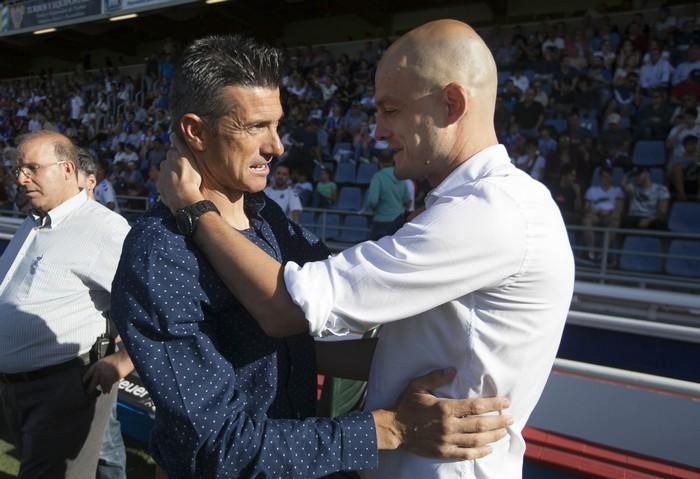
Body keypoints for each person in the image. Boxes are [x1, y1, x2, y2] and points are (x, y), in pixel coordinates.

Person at [158, 20, 575, 479]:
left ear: (452, 103)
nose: (378, 131)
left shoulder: (492, 213)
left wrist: (196, 212)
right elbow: (399, 353)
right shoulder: (484, 207)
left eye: (391, 110)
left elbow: (284, 308)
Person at [0, 131, 132, 478]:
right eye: (17, 168)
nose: (21, 178)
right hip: (17, 389)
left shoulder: (105, 228)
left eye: (32, 168)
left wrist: (122, 361)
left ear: (68, 169)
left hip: (63, 387)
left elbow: (155, 309)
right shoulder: (33, 222)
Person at [76, 149, 130, 479]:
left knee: (105, 442)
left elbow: (131, 294)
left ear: (90, 182)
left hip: (99, 351)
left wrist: (123, 351)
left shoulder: (109, 228)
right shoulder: (53, 223)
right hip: (62, 359)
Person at [581, 167, 625, 261]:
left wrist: (609, 212)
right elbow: (586, 208)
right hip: (596, 214)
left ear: (611, 177)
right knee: (586, 220)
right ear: (600, 177)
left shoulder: (617, 191)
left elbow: (619, 209)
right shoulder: (592, 190)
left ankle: (603, 253)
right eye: (604, 176)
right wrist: (594, 210)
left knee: (615, 219)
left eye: (608, 176)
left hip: (610, 215)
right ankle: (591, 252)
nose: (606, 179)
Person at [365, 150, 410, 240]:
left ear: (379, 161)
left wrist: (374, 209)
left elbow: (372, 201)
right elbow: (407, 201)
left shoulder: (378, 177)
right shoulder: (400, 176)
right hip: (398, 221)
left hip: (381, 221)